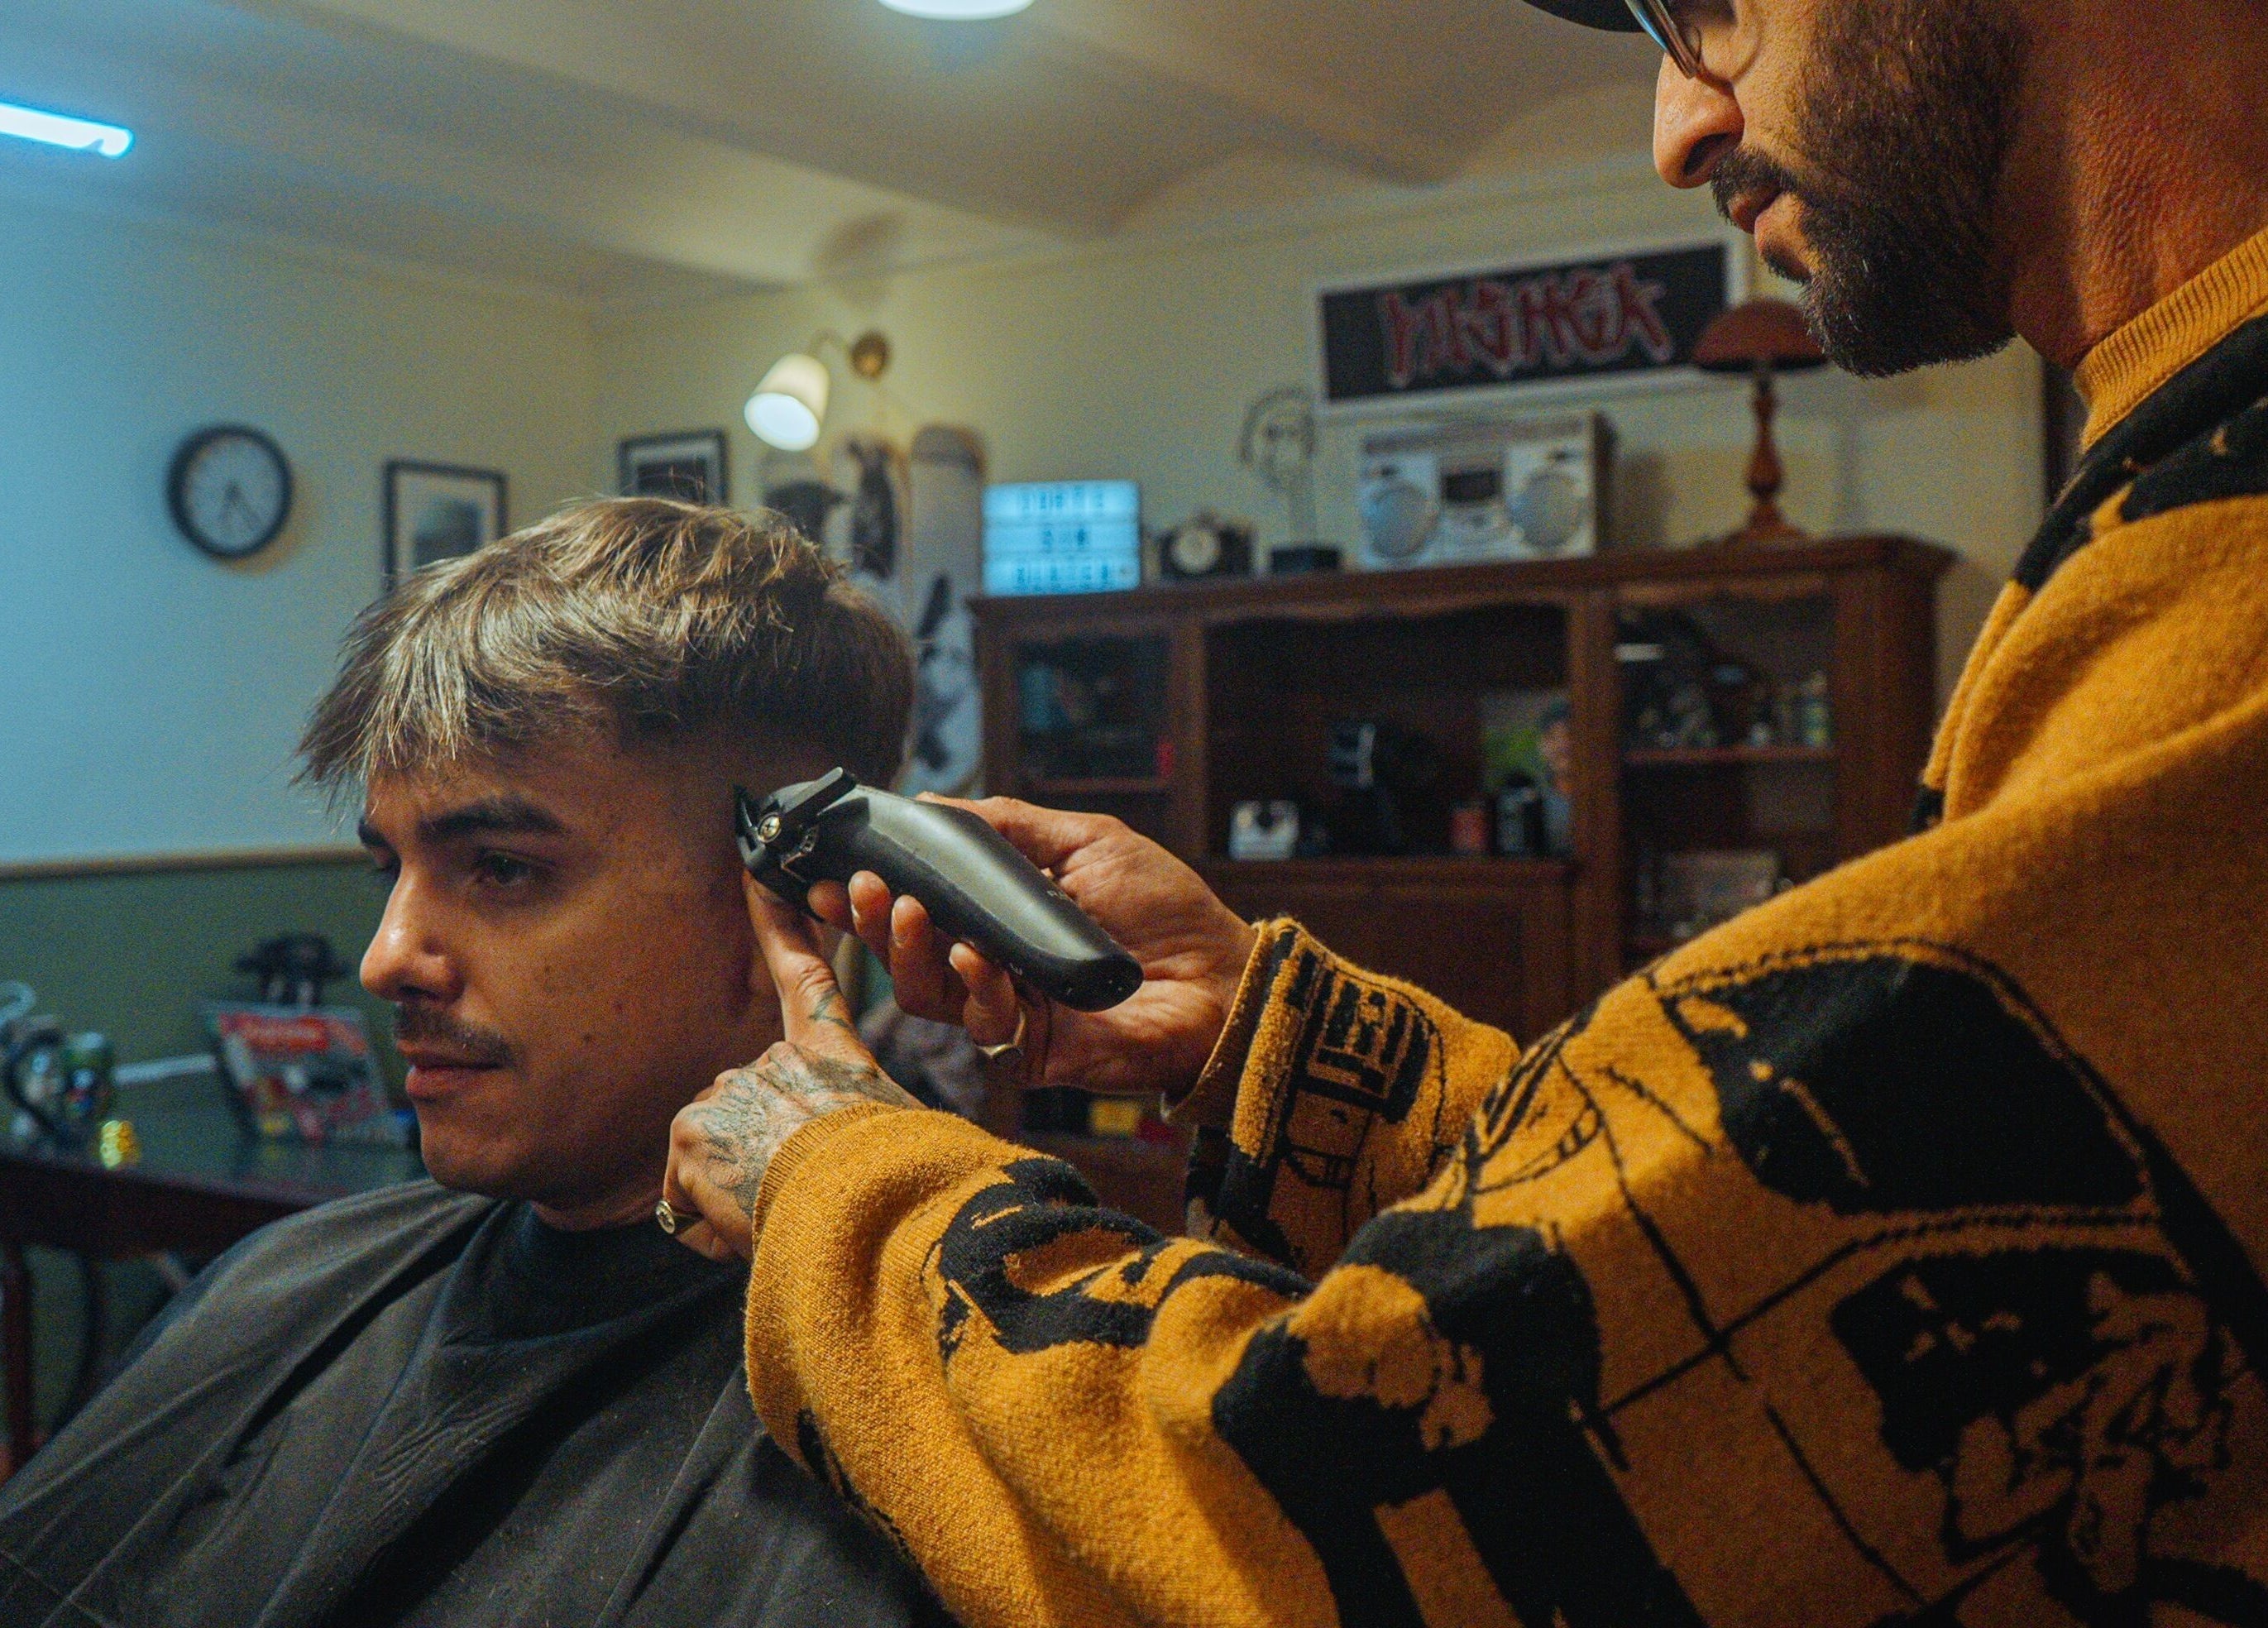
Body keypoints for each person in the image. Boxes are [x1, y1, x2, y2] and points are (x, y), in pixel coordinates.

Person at [661, 1, 2268, 1624]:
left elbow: (1351, 1520)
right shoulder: (2170, 510)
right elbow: (1817, 1220)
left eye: (1705, 7)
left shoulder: (2230, 596)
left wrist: (843, 1187)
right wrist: (1269, 1035)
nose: (1677, 131)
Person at [0, 500, 946, 1628]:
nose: (387, 958)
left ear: (785, 902)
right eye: (386, 871)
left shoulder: (958, 1433)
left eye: (499, 869)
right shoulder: (287, 1282)